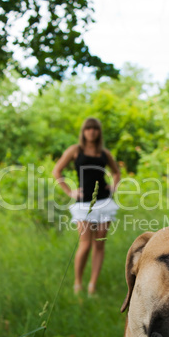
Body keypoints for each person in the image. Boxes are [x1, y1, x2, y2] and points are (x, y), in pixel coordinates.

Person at [53, 117, 120, 295]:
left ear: (99, 132)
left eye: (95, 129)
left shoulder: (104, 153)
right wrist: (70, 192)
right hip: (83, 204)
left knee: (99, 244)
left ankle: (92, 285)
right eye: (88, 128)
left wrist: (113, 186)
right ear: (83, 131)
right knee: (85, 244)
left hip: (104, 202)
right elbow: (57, 170)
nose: (92, 132)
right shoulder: (75, 150)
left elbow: (116, 172)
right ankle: (78, 283)